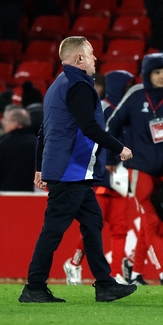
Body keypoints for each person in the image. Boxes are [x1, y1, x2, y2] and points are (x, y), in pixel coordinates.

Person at [20, 36, 136, 303]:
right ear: (79, 59)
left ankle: (105, 284)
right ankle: (34, 287)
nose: (96, 59)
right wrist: (119, 148)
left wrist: (40, 166)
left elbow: (44, 131)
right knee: (53, 230)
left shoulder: (57, 85)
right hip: (70, 171)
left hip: (70, 171)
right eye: (92, 54)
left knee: (92, 224)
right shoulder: (79, 86)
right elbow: (90, 128)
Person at [106, 53, 163, 286]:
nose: (162, 76)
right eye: (156, 72)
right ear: (147, 74)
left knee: (156, 223)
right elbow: (112, 123)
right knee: (151, 219)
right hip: (140, 167)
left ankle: (135, 273)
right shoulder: (134, 95)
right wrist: (112, 155)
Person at [63, 70, 135, 285]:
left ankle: (117, 273)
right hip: (100, 174)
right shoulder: (100, 108)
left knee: (120, 226)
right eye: (126, 86)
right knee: (94, 224)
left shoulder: (126, 110)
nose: (129, 90)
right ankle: (74, 263)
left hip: (121, 174)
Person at [0, 107, 37, 191]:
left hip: (6, 194)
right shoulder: (36, 142)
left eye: (6, 121)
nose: (4, 124)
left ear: (16, 123)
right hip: (33, 194)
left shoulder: (4, 143)